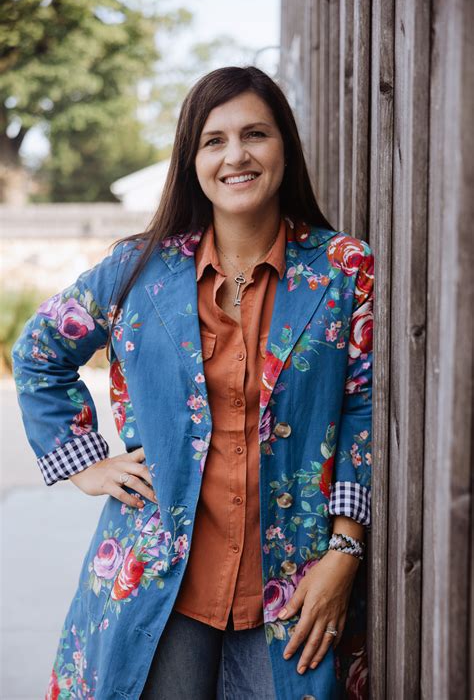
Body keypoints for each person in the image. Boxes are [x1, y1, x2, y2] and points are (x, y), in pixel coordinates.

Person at [12, 65, 373, 699]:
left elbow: (362, 410)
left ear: (285, 146)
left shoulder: (345, 270)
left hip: (293, 584)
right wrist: (85, 463)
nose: (236, 156)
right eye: (214, 141)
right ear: (192, 160)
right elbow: (39, 351)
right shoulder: (137, 270)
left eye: (255, 134)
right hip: (158, 580)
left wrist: (345, 552)